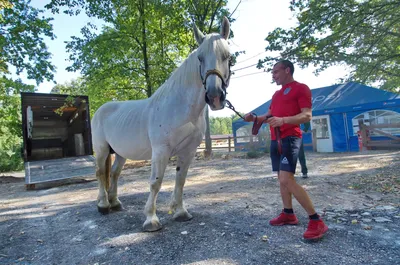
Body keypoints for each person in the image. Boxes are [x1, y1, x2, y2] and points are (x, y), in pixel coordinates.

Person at [244, 60, 328, 240]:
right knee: (281, 180)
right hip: (276, 139)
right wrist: (253, 118)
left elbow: (307, 115)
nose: (273, 75)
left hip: (290, 138)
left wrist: (283, 121)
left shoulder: (301, 88)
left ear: (287, 70)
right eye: (272, 73)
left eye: (276, 72)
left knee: (286, 178)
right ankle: (288, 214)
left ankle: (316, 220)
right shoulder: (276, 94)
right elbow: (268, 116)